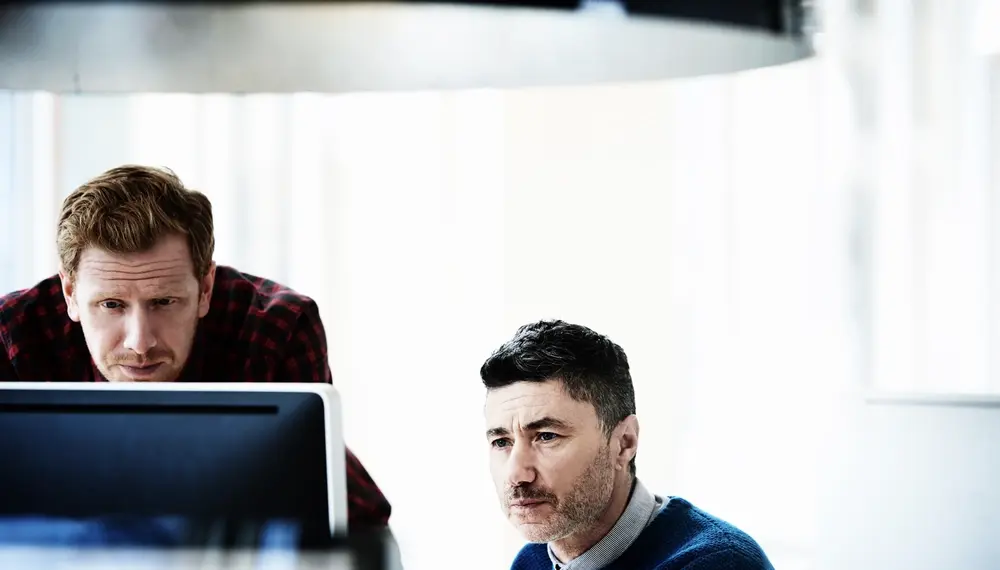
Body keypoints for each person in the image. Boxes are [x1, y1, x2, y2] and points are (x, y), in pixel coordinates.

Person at [0, 165, 391, 531]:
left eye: (164, 302)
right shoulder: (13, 331)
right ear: (70, 294)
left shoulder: (278, 327)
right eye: (111, 305)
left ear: (205, 289)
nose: (140, 343)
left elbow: (307, 519)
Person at [481, 320, 774, 570]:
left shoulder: (718, 563)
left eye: (547, 436)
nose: (517, 473)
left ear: (624, 443)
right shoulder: (534, 560)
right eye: (501, 441)